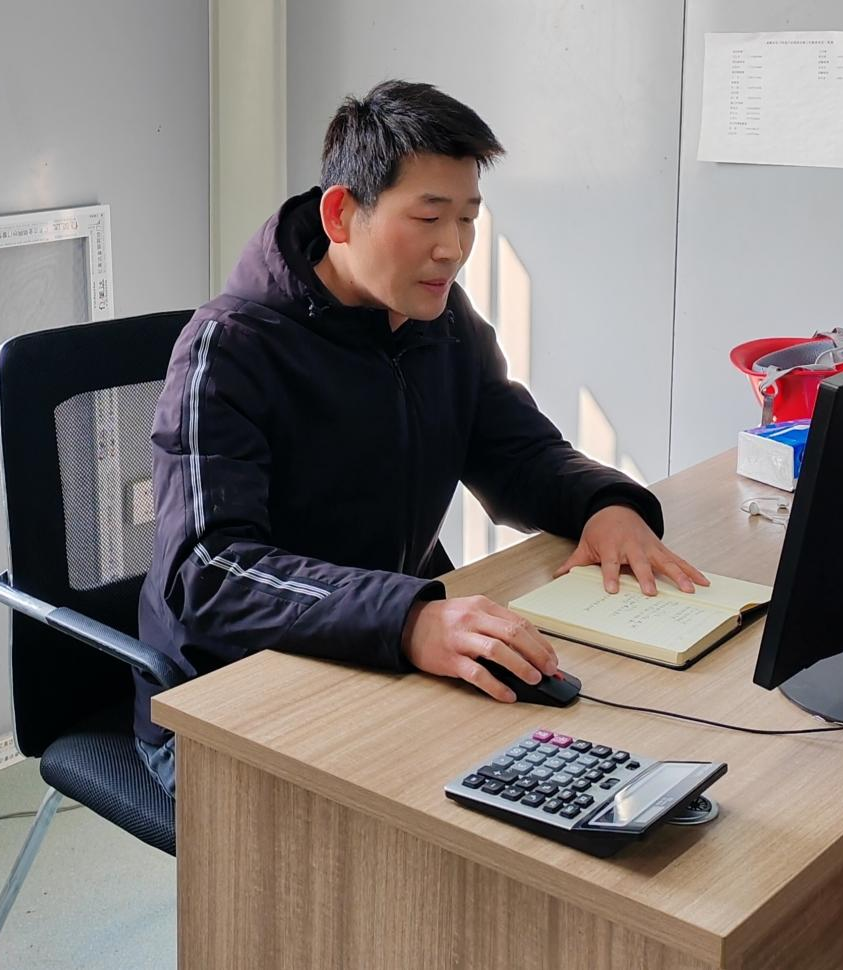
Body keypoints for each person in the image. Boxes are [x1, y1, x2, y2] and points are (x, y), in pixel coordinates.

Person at [133, 80, 707, 796]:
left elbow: (517, 450)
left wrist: (603, 504)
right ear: (341, 214)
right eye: (429, 217)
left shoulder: (441, 320)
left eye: (468, 219)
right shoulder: (228, 349)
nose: (453, 248)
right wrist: (406, 621)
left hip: (374, 652)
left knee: (574, 771)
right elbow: (207, 572)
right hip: (224, 697)